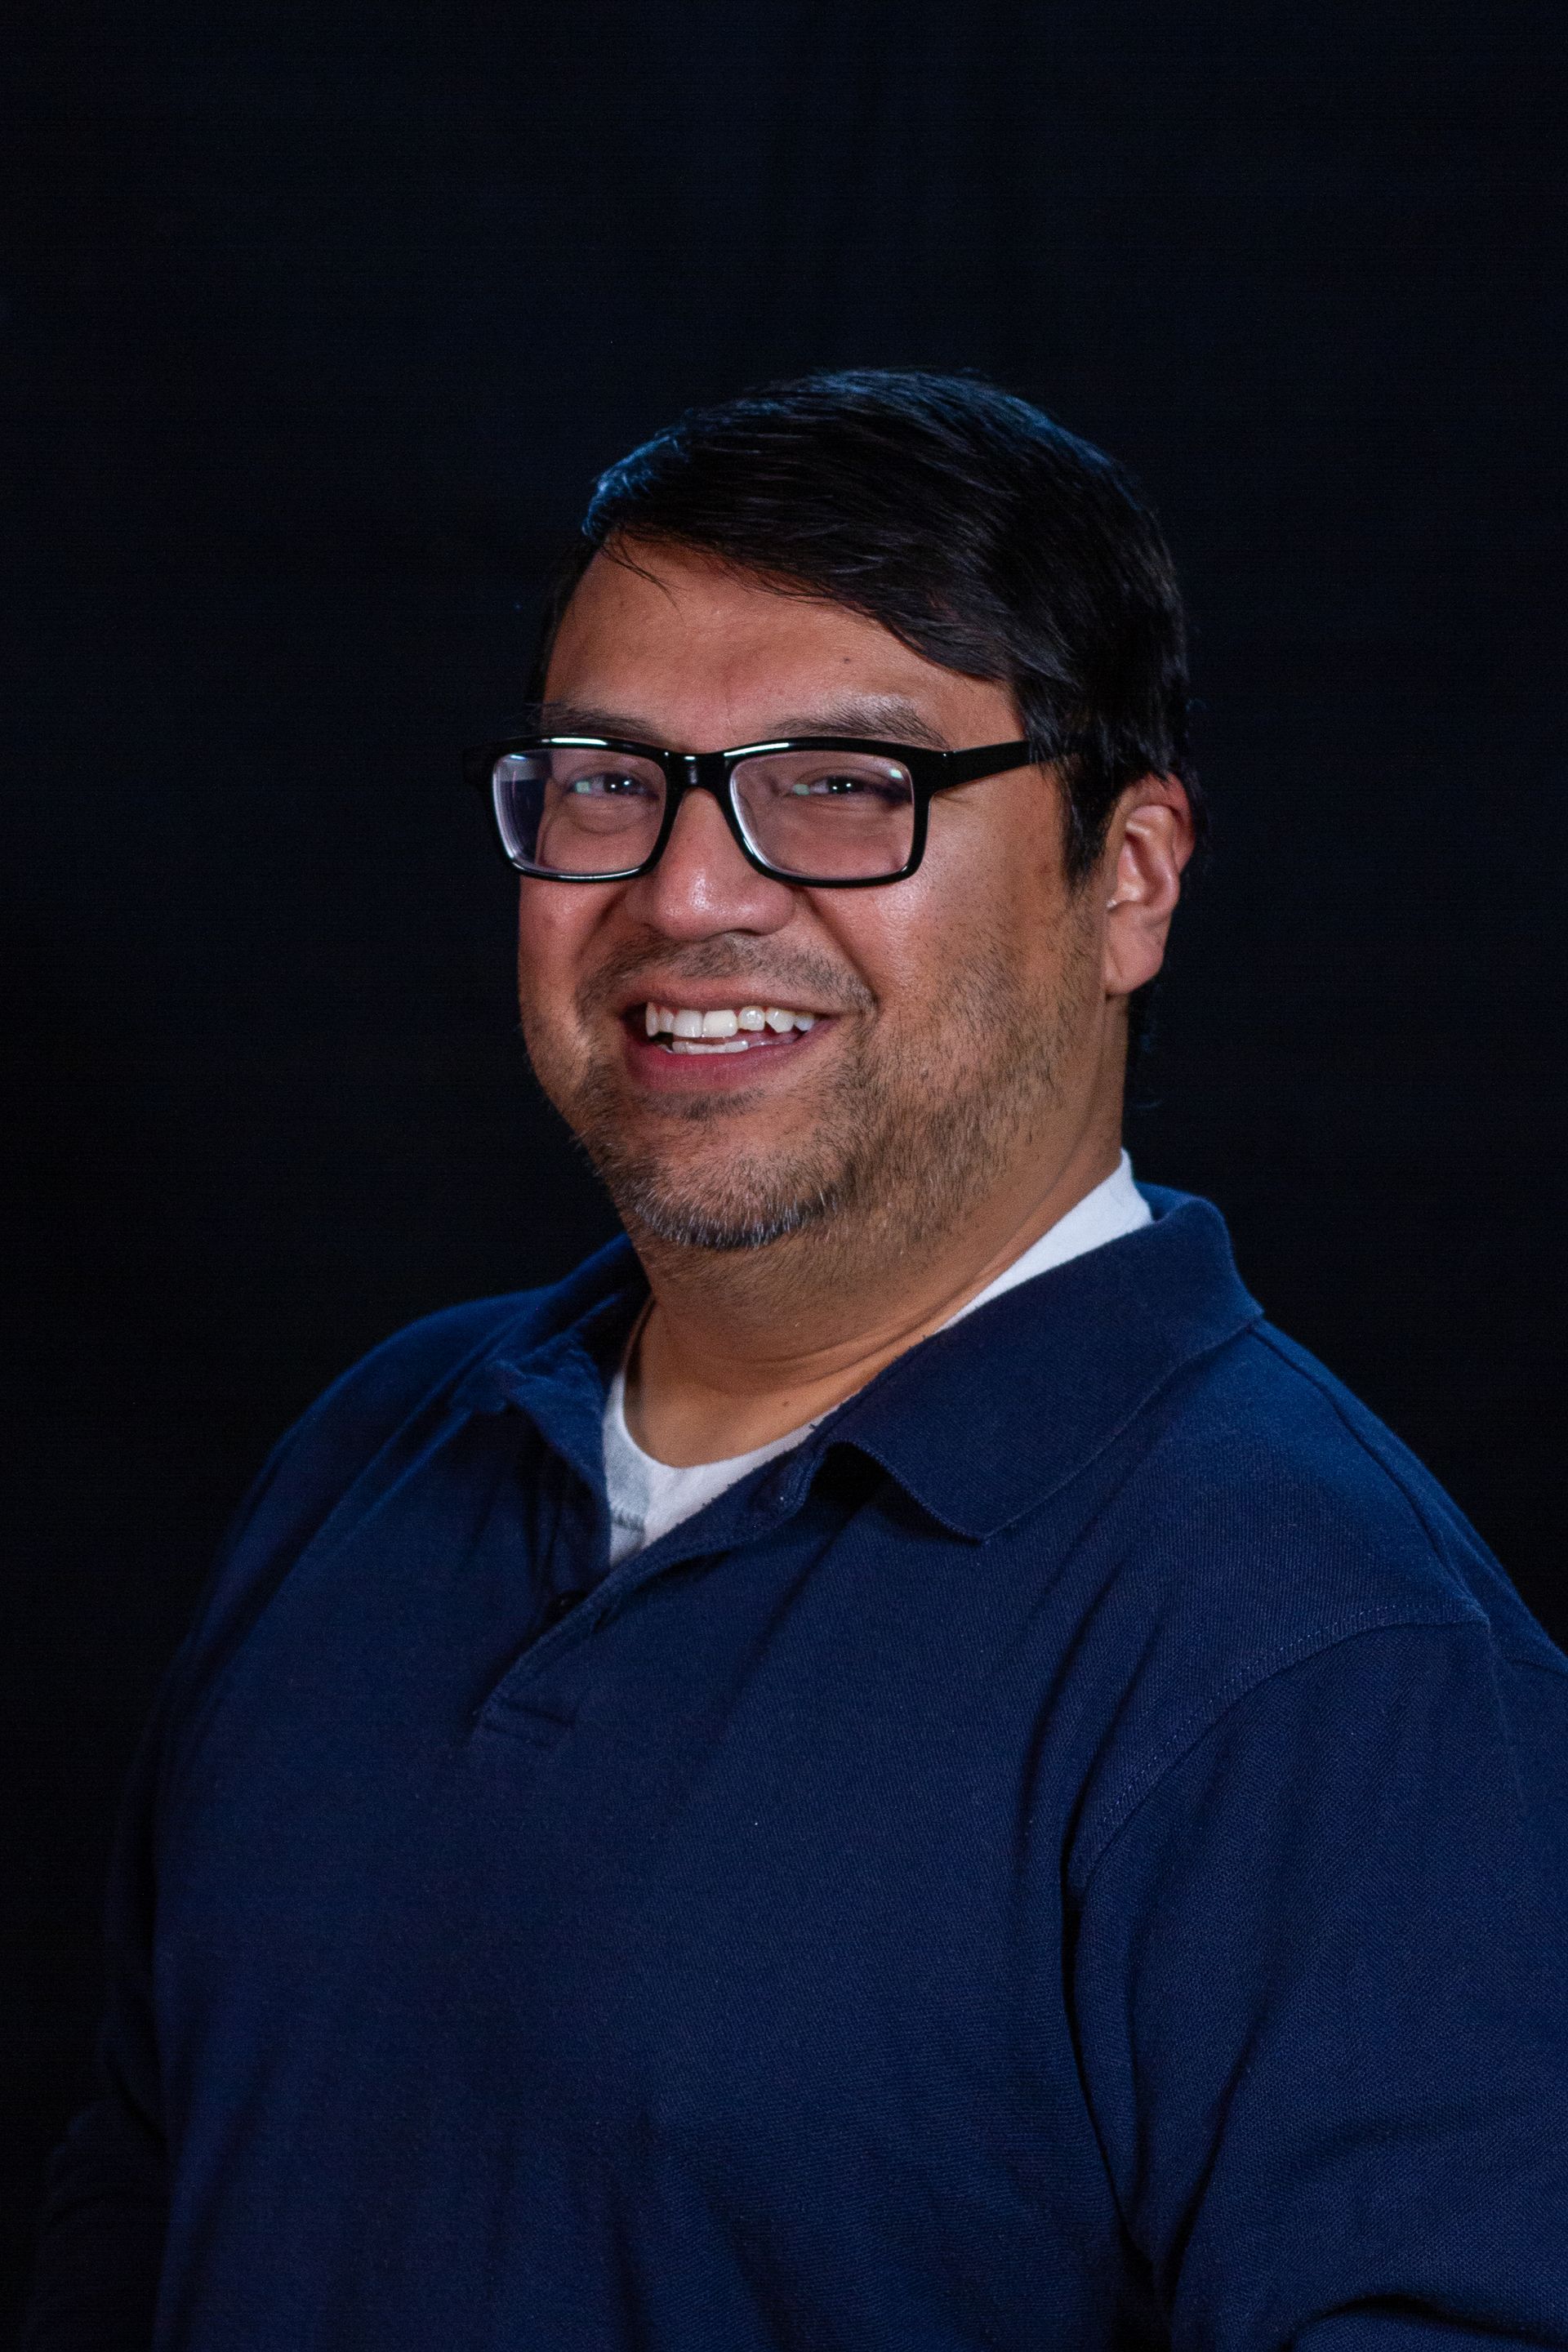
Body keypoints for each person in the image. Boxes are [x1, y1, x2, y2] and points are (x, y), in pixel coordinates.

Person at [25, 371, 1568, 2351]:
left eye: (846, 783)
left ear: (1132, 879)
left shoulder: (1330, 1660)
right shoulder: (372, 1459)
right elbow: (147, 2196)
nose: (684, 892)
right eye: (608, 778)